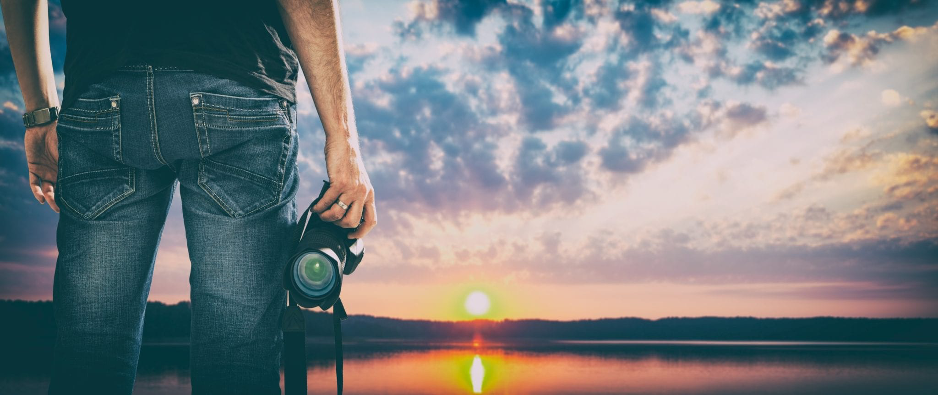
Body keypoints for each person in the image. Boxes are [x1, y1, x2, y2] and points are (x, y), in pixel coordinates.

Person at [0, 0, 377, 393]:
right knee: (237, 359)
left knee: (89, 351)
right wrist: (344, 139)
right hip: (239, 78)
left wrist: (39, 112)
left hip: (102, 90)